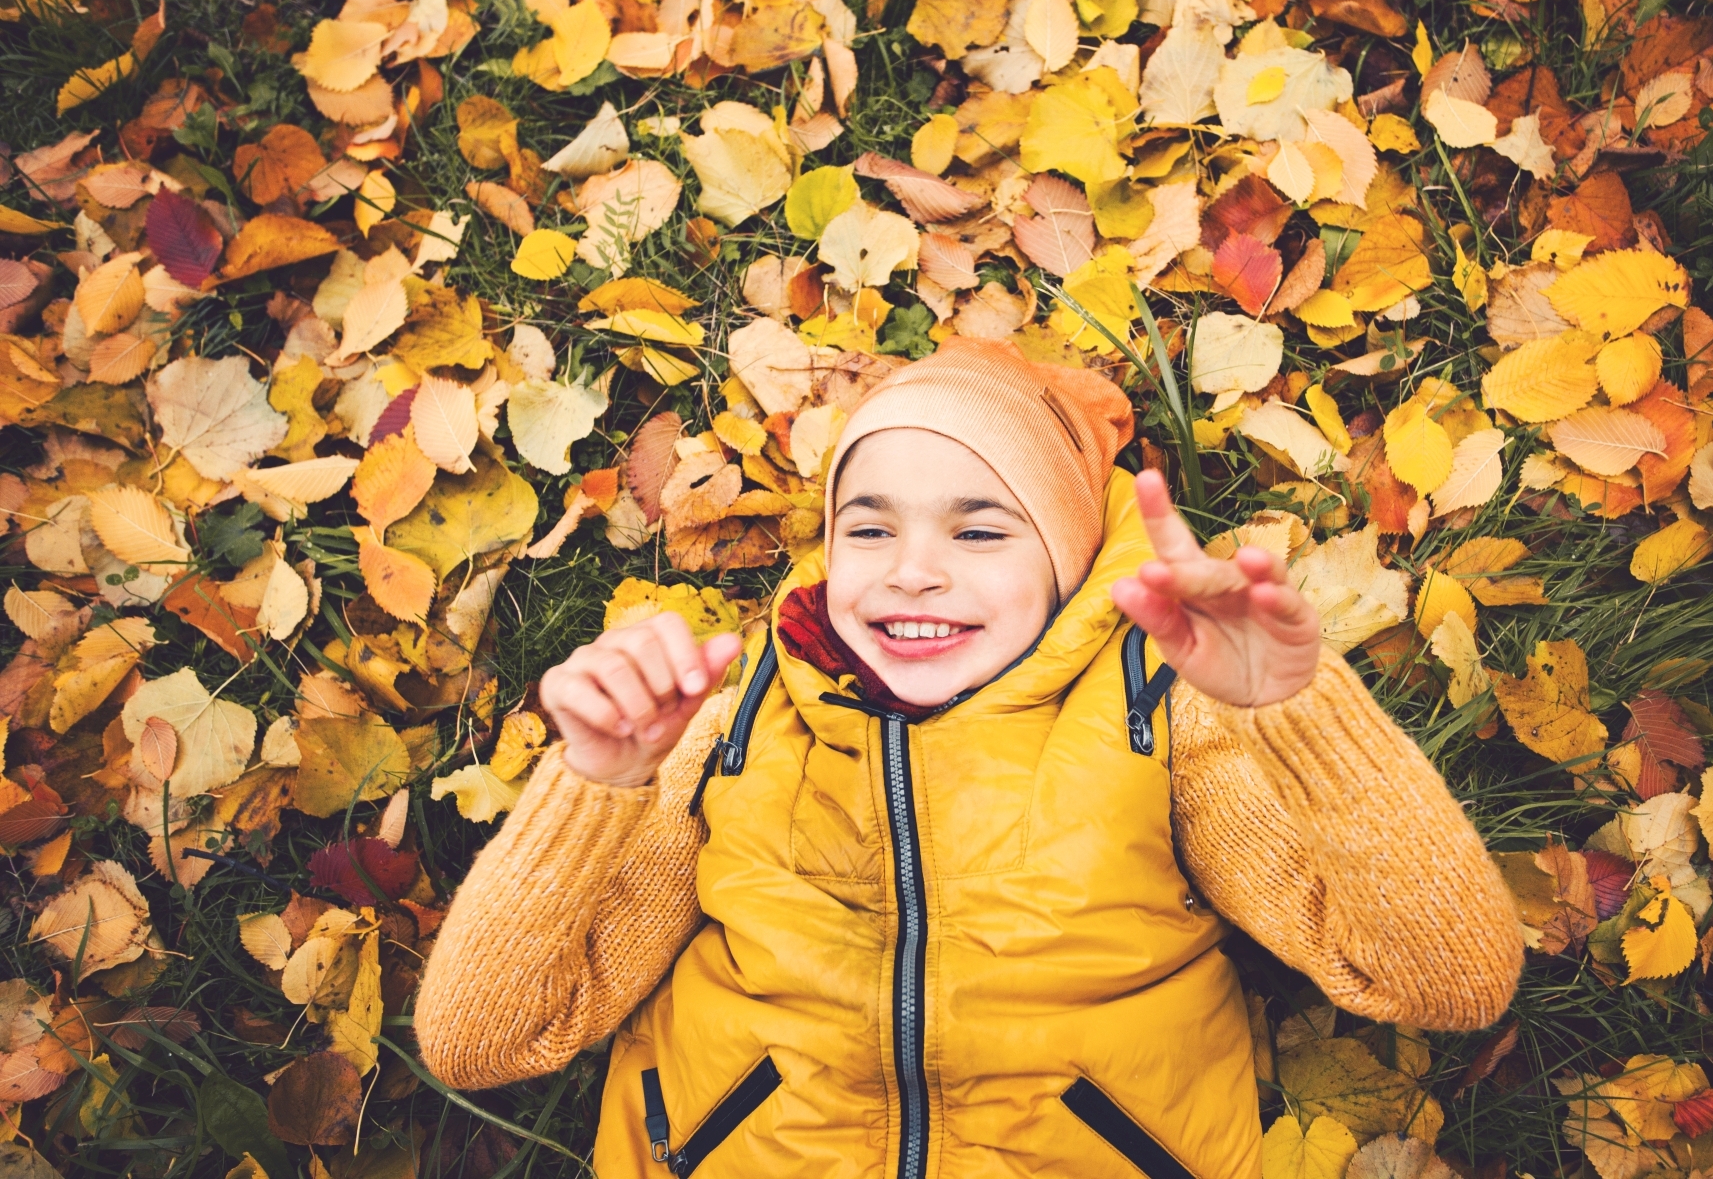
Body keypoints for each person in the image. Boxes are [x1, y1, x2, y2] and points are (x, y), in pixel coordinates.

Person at [414, 337, 1523, 1178]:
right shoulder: (732, 719)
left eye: (981, 530)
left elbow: (1451, 979)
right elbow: (480, 1038)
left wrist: (1299, 709)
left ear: (1072, 560)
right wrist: (595, 784)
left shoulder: (1159, 715)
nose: (912, 571)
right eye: (870, 526)